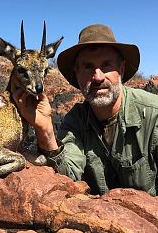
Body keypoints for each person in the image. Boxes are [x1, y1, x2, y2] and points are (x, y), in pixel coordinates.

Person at [12, 24, 158, 196]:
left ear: (122, 69)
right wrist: (45, 130)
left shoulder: (153, 114)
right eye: (88, 67)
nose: (97, 77)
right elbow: (67, 175)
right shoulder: (75, 121)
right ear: (77, 73)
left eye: (106, 65)